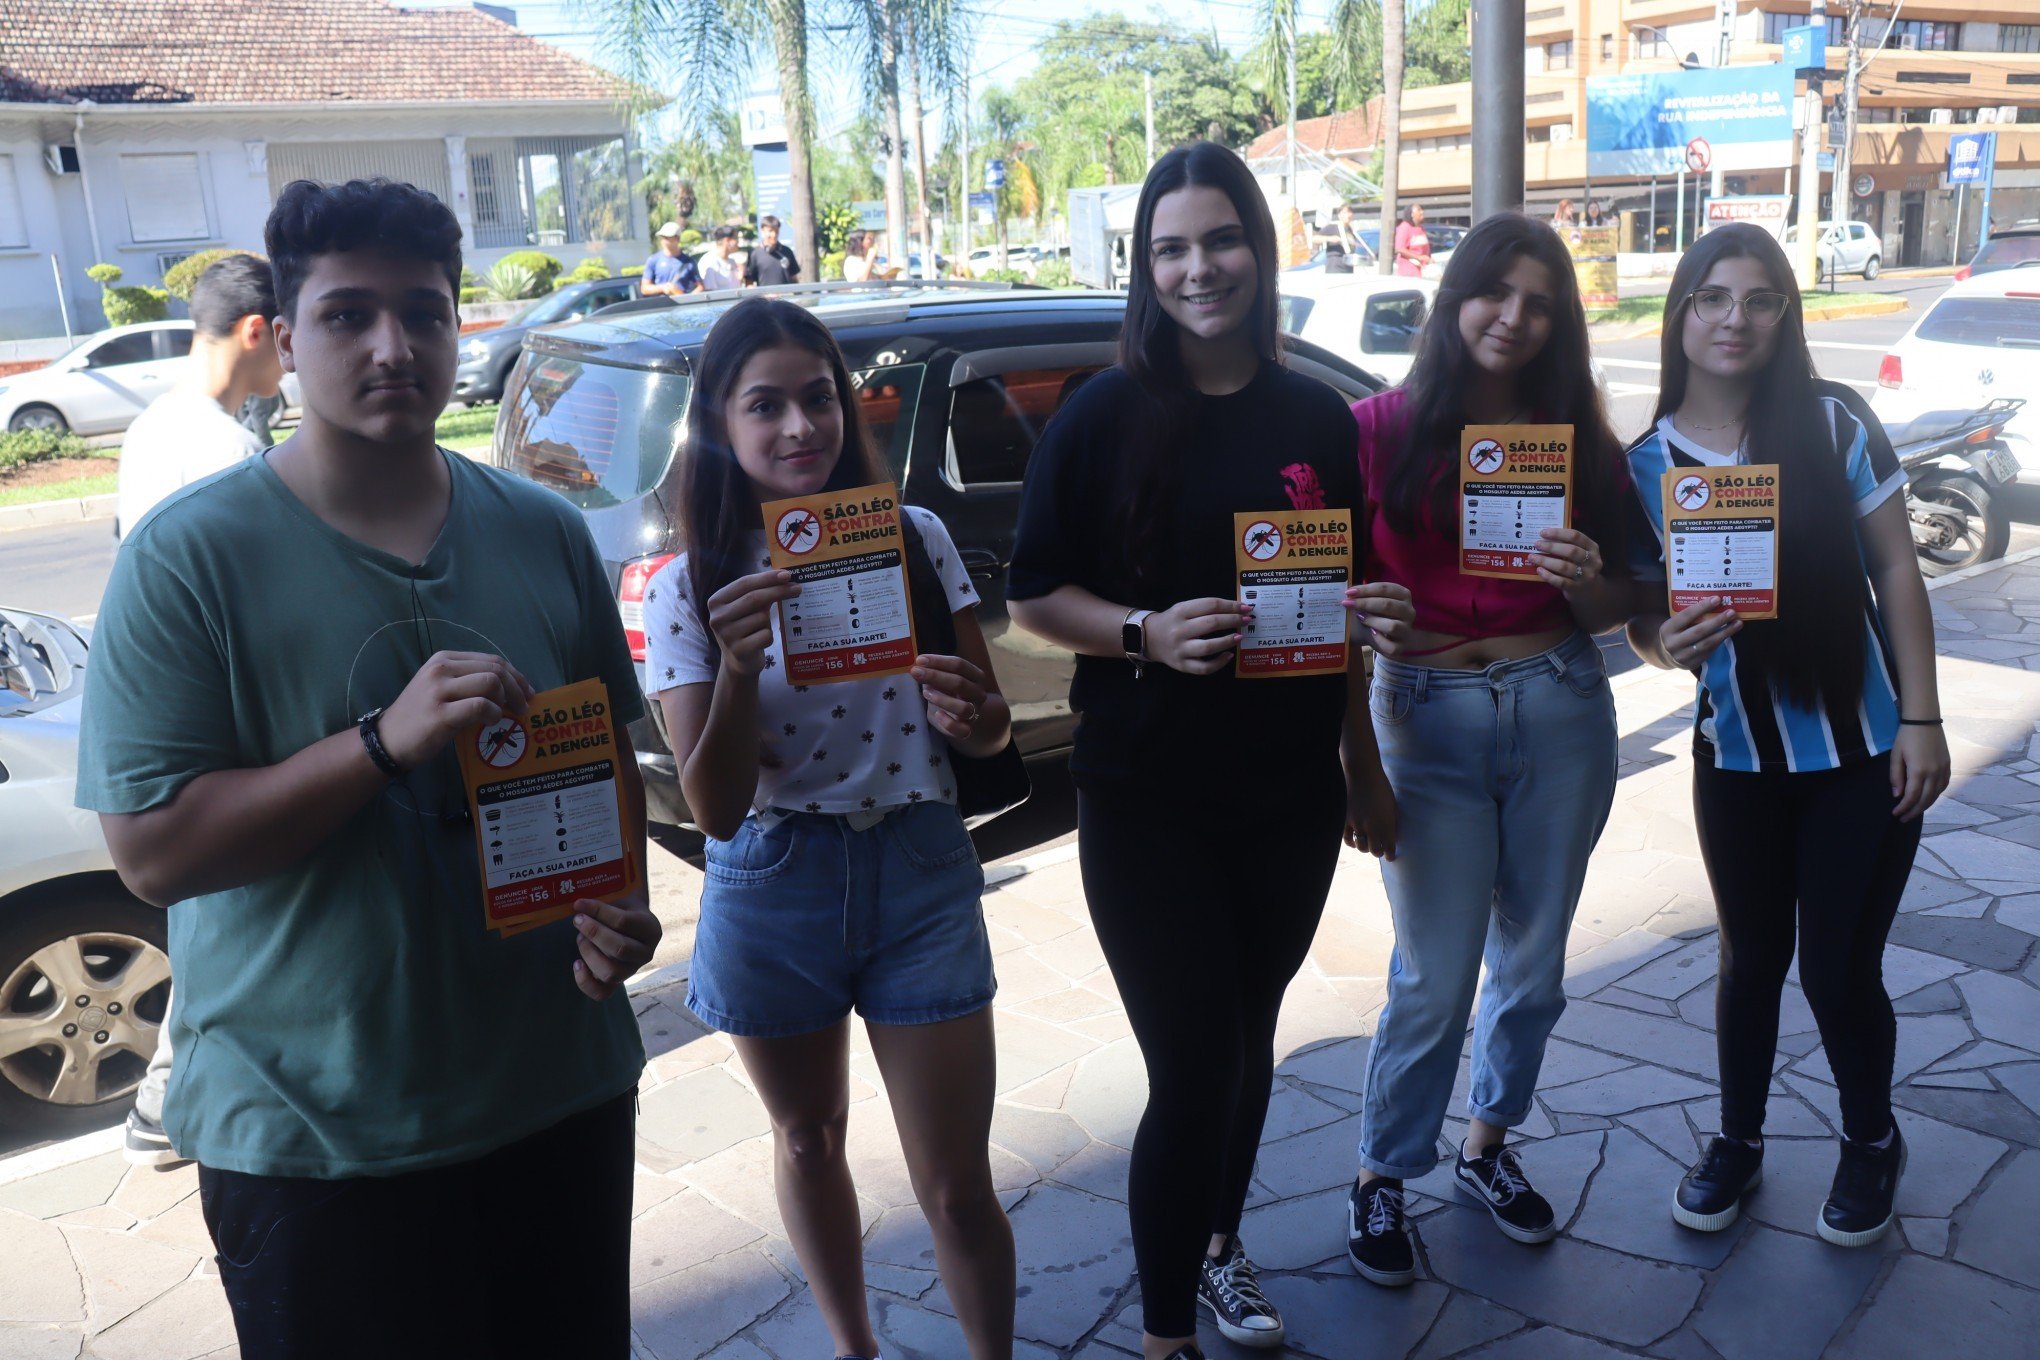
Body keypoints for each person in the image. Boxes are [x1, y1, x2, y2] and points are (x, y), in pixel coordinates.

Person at [75, 178, 661, 1358]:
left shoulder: (542, 531)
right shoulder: (189, 560)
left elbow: (600, 763)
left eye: (425, 312)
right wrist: (380, 745)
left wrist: (623, 905)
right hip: (314, 1136)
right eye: (347, 316)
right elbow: (152, 853)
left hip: (556, 1093)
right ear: (285, 341)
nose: (394, 346)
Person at [1007, 141, 1410, 1360]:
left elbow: (1342, 601)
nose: (1198, 268)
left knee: (1246, 1044)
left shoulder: (1317, 424)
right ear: (1144, 265)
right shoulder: (1101, 413)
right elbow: (1032, 593)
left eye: (1220, 239)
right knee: (1189, 1064)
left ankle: (1222, 1247)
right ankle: (1169, 1332)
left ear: (1259, 247)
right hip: (1145, 799)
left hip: (1286, 797)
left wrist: (1364, 750)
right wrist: (1141, 631)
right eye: (1170, 247)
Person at [643, 296, 1016, 1360]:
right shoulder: (689, 588)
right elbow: (712, 810)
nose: (801, 427)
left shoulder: (913, 536)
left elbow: (988, 733)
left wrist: (975, 715)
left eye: (818, 399)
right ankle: (856, 1347)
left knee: (954, 1184)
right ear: (721, 422)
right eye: (766, 406)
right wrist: (740, 666)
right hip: (775, 877)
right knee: (808, 1137)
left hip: (918, 864)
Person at [1622, 223, 1948, 1247]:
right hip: (1737, 762)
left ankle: (1870, 1137)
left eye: (1761, 299)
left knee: (1839, 969)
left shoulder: (1832, 422)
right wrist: (1662, 642)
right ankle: (1738, 1139)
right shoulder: (1642, 464)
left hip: (1863, 754)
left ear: (1785, 317)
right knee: (1749, 959)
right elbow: (1640, 617)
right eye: (1713, 297)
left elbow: (1897, 567)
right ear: (1680, 313)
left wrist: (1926, 717)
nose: (1736, 319)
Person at [1341, 213, 1636, 1289]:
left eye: (1539, 302)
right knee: (1432, 971)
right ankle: (1383, 1172)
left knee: (1536, 958)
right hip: (1421, 716)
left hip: (1557, 702)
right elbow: (1306, 589)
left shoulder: (1576, 436)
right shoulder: (1373, 428)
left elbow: (1623, 602)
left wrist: (1582, 573)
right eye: (1492, 292)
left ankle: (1487, 1147)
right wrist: (1352, 612)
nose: (1513, 317)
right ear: (1452, 298)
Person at [115, 253, 287, 1168]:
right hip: (227, 718)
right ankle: (169, 1098)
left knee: (212, 906)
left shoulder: (154, 428)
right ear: (257, 332)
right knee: (235, 911)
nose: (290, 364)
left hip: (175, 711)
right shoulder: (229, 453)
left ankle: (163, 1097)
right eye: (288, 340)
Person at [114, 254, 282, 539]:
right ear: (254, 332)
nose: (291, 357)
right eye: (283, 335)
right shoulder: (233, 452)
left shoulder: (145, 428)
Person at [643, 219, 703, 296]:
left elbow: (700, 287)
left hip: (683, 305)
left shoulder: (689, 262)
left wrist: (686, 298)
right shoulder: (653, 260)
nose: (664, 240)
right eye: (663, 237)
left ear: (677, 239)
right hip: (661, 305)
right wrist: (663, 288)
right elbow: (644, 288)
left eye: (667, 237)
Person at [744, 214, 802, 287]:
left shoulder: (787, 251)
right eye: (770, 231)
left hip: (786, 297)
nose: (774, 235)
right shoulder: (755, 254)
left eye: (776, 231)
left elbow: (794, 278)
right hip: (764, 297)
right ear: (763, 230)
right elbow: (749, 281)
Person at [700, 224, 745, 291]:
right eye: (736, 238)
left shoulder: (732, 262)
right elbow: (710, 295)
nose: (738, 242)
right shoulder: (709, 261)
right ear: (727, 241)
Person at [1394, 204, 1432, 278]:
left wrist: (1429, 258)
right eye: (1419, 210)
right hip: (1409, 270)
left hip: (1422, 268)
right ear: (1412, 214)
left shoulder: (1420, 228)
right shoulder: (1404, 227)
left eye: (1422, 210)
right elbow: (1399, 248)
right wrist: (1419, 257)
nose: (1422, 212)